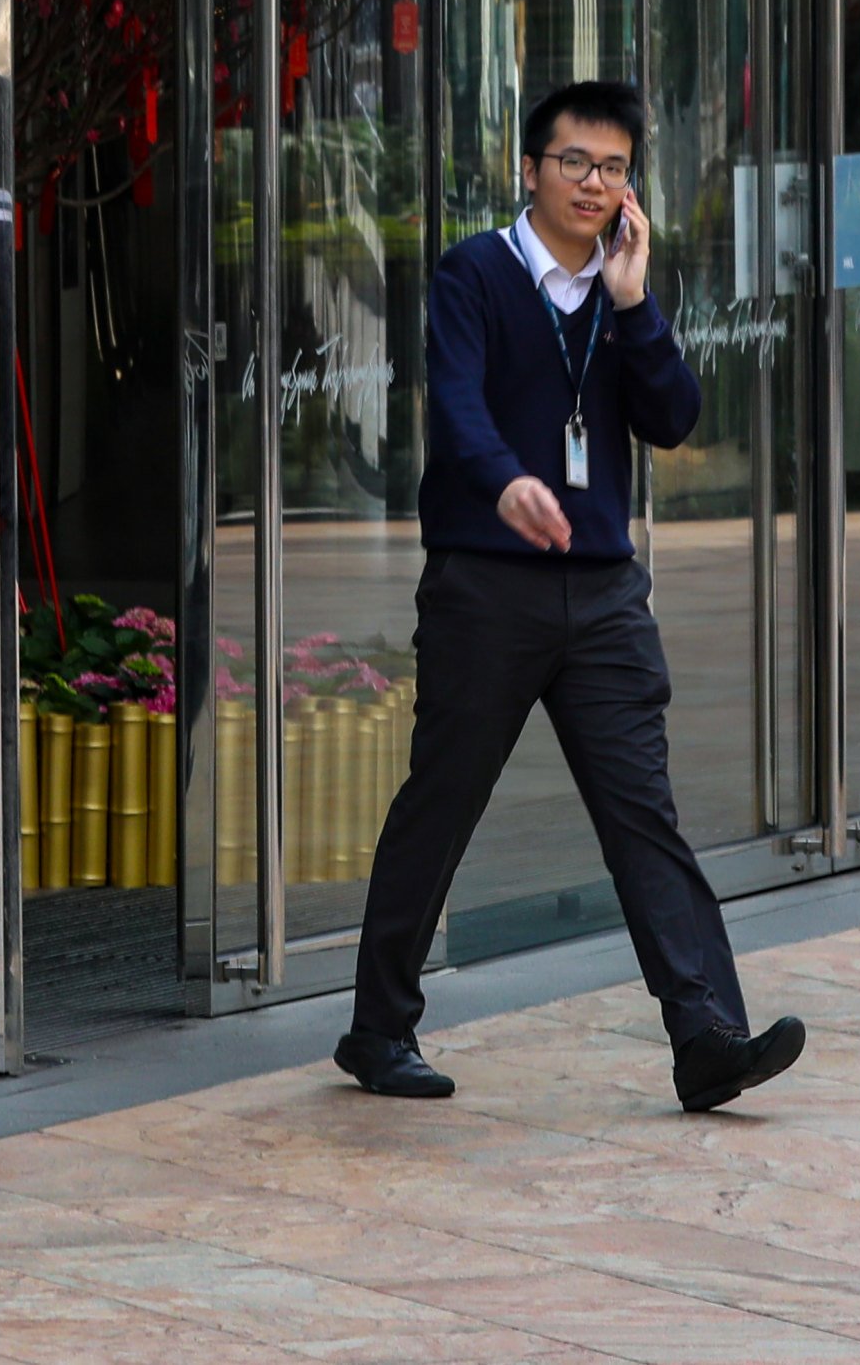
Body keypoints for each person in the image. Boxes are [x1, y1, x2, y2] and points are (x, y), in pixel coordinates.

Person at [337, 78, 807, 1114]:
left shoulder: (619, 290)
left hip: (600, 597)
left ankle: (706, 1038)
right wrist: (507, 481)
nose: (595, 183)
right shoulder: (475, 274)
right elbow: (456, 402)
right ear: (530, 169)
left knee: (646, 817)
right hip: (485, 586)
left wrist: (636, 304)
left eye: (614, 167)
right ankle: (379, 1030)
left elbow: (676, 418)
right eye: (575, 163)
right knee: (443, 804)